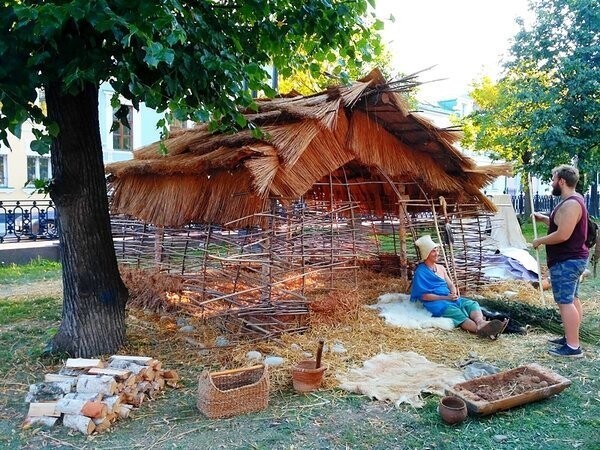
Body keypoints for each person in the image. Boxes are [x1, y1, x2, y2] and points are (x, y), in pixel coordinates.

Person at [532, 164, 589, 358]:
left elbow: (563, 234)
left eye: (553, 179)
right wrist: (544, 219)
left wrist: (540, 240)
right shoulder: (572, 200)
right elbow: (562, 223)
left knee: (565, 302)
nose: (552, 182)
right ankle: (571, 337)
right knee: (572, 299)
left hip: (568, 260)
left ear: (562, 181)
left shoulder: (572, 203)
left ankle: (573, 347)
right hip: (571, 258)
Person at [410, 235, 508, 339]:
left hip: (449, 298)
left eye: (437, 250)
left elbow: (451, 284)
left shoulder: (441, 268)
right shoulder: (421, 272)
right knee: (456, 312)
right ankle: (481, 330)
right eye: (433, 251)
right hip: (435, 302)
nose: (437, 253)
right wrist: (445, 297)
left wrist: (453, 292)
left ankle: (481, 323)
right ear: (426, 253)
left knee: (471, 304)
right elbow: (424, 296)